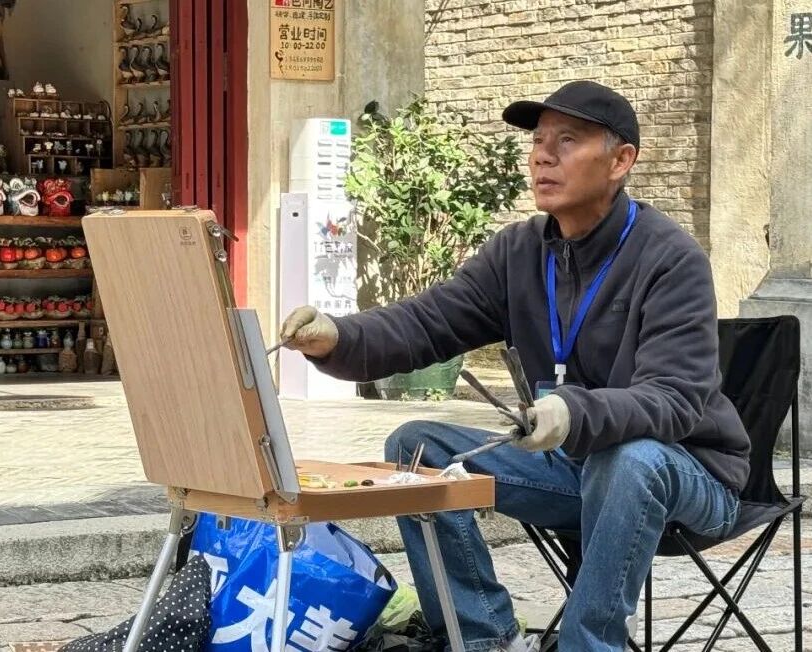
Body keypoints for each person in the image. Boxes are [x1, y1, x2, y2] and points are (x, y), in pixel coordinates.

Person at [279, 81, 748, 652]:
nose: (542, 156)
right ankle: (483, 639)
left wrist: (571, 411)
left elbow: (673, 399)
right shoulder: (517, 252)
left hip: (688, 475)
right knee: (417, 446)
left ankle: (588, 645)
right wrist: (337, 337)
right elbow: (427, 322)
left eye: (567, 141)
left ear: (621, 161)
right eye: (538, 141)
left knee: (630, 458)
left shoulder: (670, 258)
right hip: (573, 468)